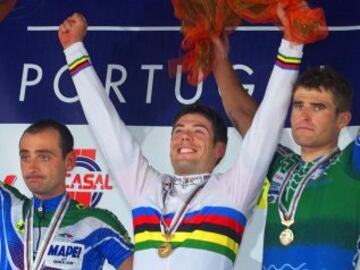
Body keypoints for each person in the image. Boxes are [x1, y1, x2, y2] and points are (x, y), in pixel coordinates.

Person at [58, 12, 303, 270]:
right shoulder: (145, 188)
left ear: (219, 149)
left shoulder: (233, 190)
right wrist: (74, 50)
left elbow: (267, 123)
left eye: (199, 131)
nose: (185, 136)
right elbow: (106, 126)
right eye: (179, 130)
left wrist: (292, 44)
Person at [216, 47, 360, 267]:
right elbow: (242, 114)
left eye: (318, 107)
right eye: (298, 105)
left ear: (342, 119)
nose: (304, 115)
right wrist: (219, 56)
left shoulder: (351, 165)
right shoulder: (281, 165)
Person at [0, 120, 133, 270]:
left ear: (69, 161)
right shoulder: (7, 206)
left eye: (43, 157)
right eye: (25, 157)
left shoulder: (96, 223)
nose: (31, 167)